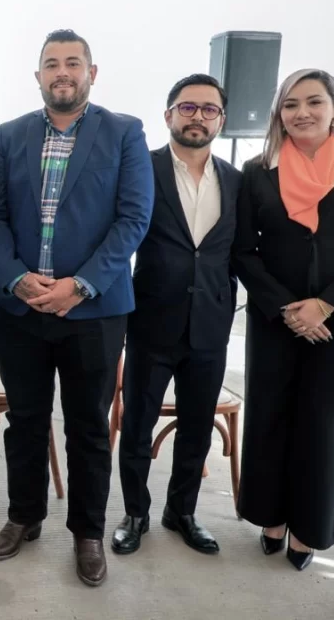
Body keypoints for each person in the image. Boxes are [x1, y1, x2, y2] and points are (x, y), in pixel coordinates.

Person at [0, 29, 153, 586]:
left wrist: (79, 286)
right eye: (52, 63)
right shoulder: (9, 136)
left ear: (91, 73)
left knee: (88, 427)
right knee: (25, 420)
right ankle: (24, 516)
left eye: (73, 63)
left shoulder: (124, 132)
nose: (62, 72)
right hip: (22, 310)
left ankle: (87, 532)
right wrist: (15, 279)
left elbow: (133, 219)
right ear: (37, 75)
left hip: (95, 313)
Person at [233, 68, 334, 571]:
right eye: (290, 104)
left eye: (313, 102)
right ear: (279, 114)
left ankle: (308, 528)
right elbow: (243, 250)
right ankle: (270, 518)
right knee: (269, 416)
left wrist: (325, 304)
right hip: (275, 316)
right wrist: (287, 306)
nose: (302, 112)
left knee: (324, 424)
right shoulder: (258, 170)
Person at [112, 74, 242, 557]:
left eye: (209, 110)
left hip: (210, 323)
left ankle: (182, 511)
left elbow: (239, 252)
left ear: (221, 120)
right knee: (137, 424)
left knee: (196, 426)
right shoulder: (141, 169)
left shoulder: (237, 181)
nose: (197, 117)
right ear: (169, 114)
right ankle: (135, 513)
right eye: (187, 108)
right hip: (151, 319)